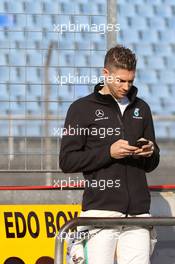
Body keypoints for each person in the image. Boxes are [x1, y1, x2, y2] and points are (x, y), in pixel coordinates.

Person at [59, 45, 160, 264]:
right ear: (106, 74)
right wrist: (109, 152)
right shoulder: (81, 108)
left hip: (138, 214)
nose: (126, 86)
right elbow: (67, 161)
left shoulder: (142, 108)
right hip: (100, 212)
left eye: (131, 81)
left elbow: (152, 163)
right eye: (121, 80)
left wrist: (149, 152)